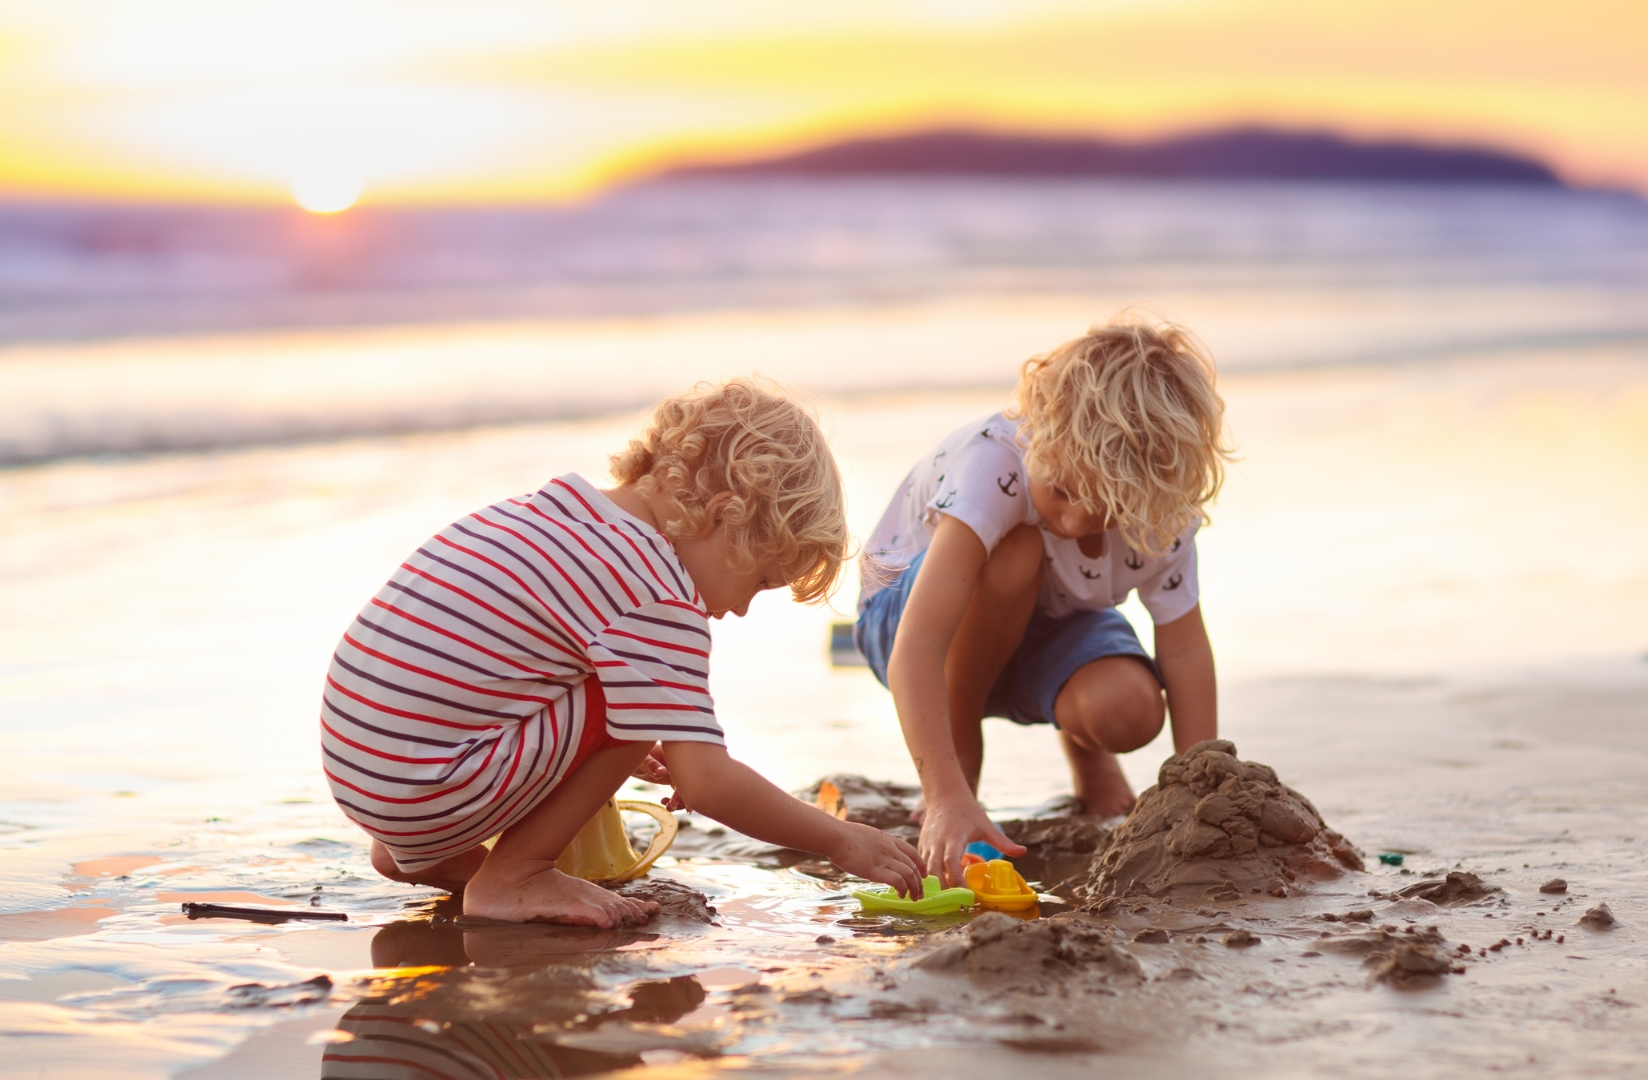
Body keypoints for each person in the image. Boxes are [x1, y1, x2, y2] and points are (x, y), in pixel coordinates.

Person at [321, 379, 924, 927]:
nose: (740, 610)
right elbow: (710, 783)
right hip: (431, 787)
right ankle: (516, 876)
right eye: (762, 580)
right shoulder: (659, 590)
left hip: (362, 770)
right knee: (638, 703)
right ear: (725, 517)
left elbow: (480, 667)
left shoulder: (552, 512)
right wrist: (843, 841)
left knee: (640, 702)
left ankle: (417, 851)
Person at [854, 317, 1231, 884]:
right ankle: (962, 767)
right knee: (1019, 550)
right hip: (911, 620)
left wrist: (1202, 787)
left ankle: (1089, 759)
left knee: (1132, 709)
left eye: (1105, 511)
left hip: (1045, 623)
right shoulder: (994, 465)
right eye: (1062, 489)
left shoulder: (1160, 510)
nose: (1075, 520)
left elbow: (1182, 649)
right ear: (1041, 433)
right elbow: (920, 642)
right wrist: (945, 790)